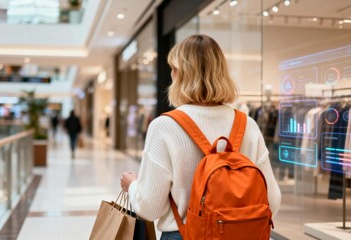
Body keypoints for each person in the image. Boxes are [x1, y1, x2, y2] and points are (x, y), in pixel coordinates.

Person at [120, 34, 281, 239]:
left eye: (173, 68)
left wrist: (132, 186)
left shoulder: (165, 126)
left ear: (179, 74)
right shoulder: (247, 125)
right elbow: (272, 202)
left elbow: (149, 208)